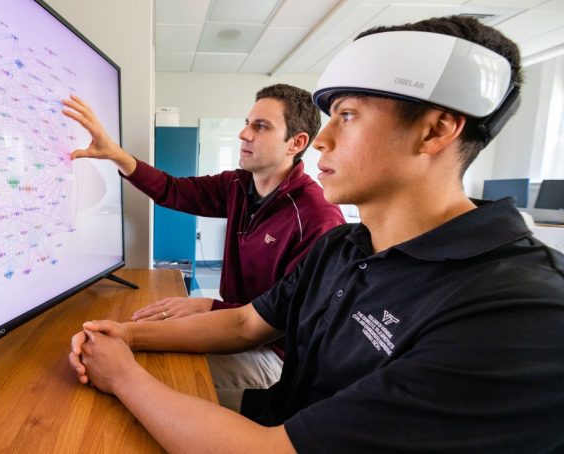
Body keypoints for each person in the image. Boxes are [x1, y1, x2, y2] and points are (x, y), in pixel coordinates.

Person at [68, 15, 564, 453]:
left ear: (435, 131)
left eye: (347, 116)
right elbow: (245, 325)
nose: (324, 140)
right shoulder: (344, 247)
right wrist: (129, 335)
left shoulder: (520, 313)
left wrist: (125, 374)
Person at [63, 84, 344, 405]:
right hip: (235, 328)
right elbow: (172, 190)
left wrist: (210, 307)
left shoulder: (317, 217)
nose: (244, 134)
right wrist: (116, 154)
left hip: (277, 355)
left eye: (261, 127)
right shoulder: (238, 184)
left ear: (297, 142)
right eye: (247, 122)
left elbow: (291, 322)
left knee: (154, 373)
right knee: (145, 360)